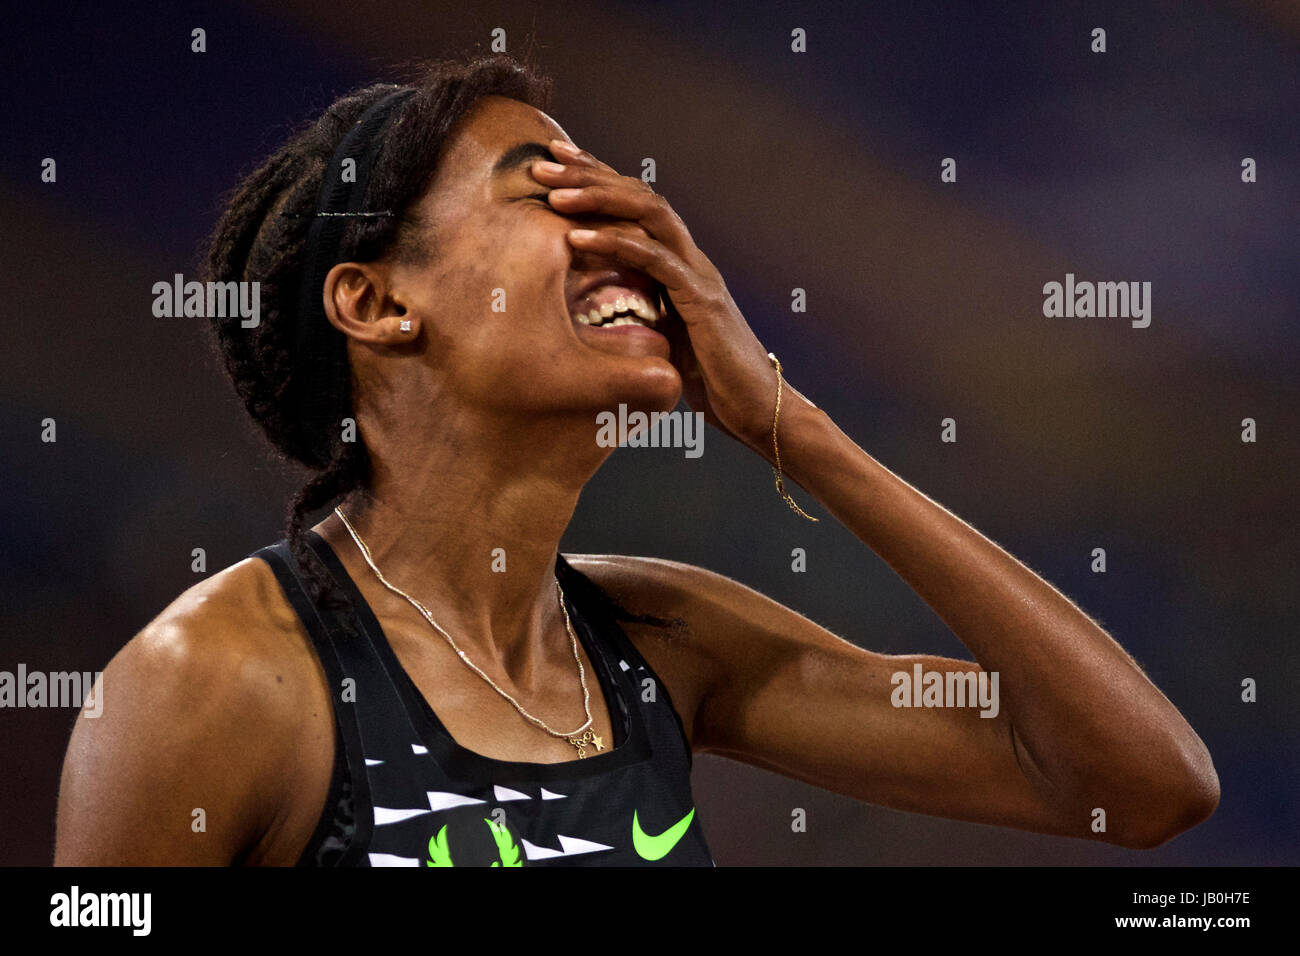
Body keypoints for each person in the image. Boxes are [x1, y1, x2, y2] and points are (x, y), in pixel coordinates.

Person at [54, 54, 1218, 866]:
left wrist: (789, 427)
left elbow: (1141, 784)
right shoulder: (215, 678)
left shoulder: (662, 640)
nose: (633, 226)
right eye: (552, 191)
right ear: (375, 301)